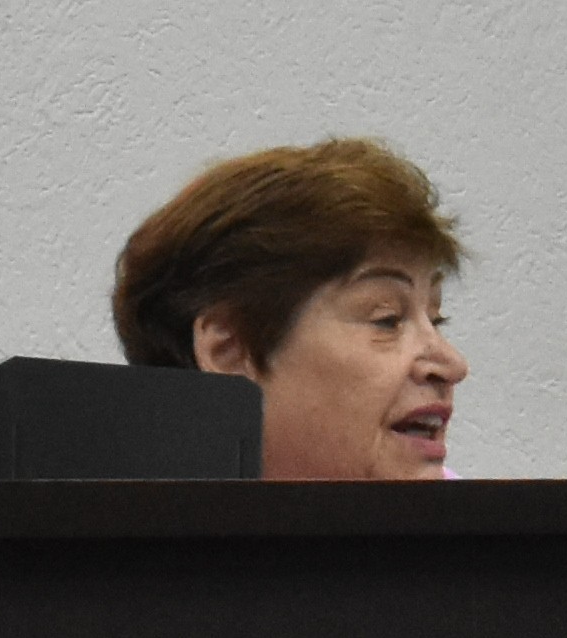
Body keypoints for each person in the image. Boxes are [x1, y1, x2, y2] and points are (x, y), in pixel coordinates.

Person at [113, 138, 468, 480]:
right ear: (229, 351)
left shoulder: (485, 522)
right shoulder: (107, 521)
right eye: (387, 320)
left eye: (436, 320)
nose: (453, 366)